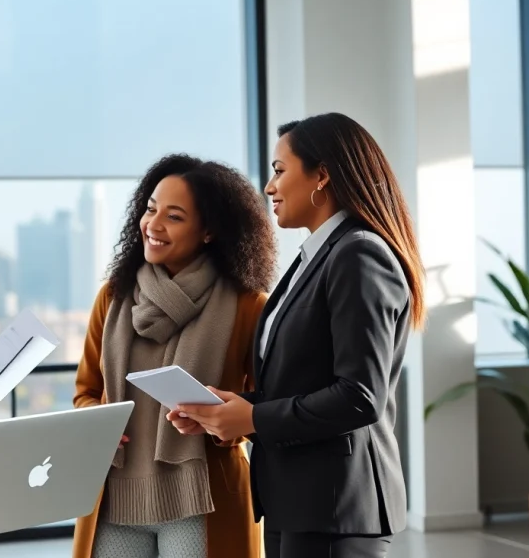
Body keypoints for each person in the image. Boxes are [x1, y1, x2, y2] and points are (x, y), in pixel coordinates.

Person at [177, 112, 425, 558]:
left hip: (335, 507)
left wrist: (252, 419)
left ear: (322, 175)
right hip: (297, 501)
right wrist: (227, 411)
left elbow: (359, 395)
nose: (269, 187)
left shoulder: (359, 254)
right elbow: (303, 384)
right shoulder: (317, 256)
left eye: (279, 170)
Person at [72, 154, 277, 558]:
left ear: (208, 231)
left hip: (203, 500)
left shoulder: (248, 305)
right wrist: (100, 420)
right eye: (150, 209)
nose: (153, 224)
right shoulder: (113, 297)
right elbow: (85, 392)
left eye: (175, 216)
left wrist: (221, 420)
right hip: (113, 495)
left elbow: (267, 407)